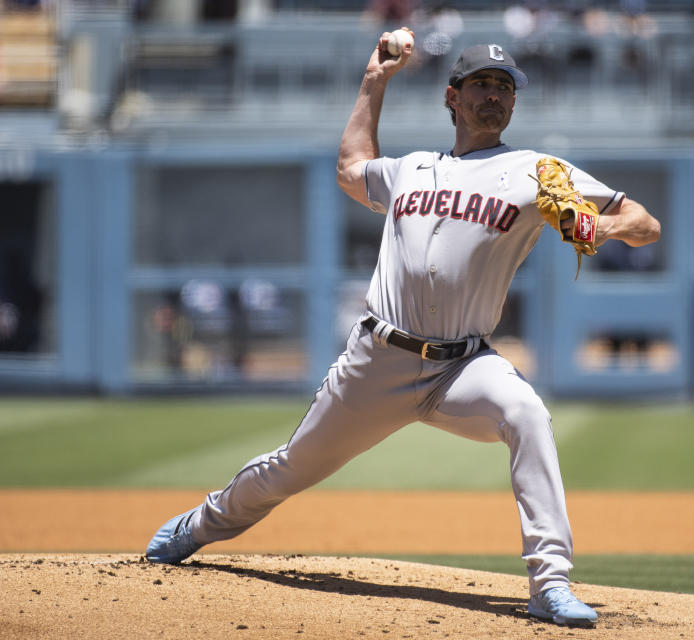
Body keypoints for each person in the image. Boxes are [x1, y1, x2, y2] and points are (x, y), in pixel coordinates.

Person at [144, 33, 661, 628]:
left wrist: (597, 225)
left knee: (526, 414)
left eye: (504, 86)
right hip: (378, 359)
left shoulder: (536, 172)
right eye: (480, 85)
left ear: (513, 103)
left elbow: (643, 222)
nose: (493, 95)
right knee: (292, 466)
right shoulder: (413, 168)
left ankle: (549, 583)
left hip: (463, 367)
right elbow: (350, 169)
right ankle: (202, 524)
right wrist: (375, 82)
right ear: (453, 97)